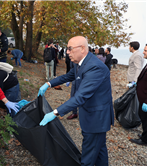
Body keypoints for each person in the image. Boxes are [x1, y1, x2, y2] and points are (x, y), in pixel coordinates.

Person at [38, 36, 114, 166]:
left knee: (88, 157)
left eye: (70, 49)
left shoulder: (95, 67)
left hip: (96, 119)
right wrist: (49, 84)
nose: (67, 52)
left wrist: (55, 112)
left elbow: (80, 97)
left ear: (82, 49)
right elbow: (68, 76)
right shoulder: (82, 63)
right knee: (99, 149)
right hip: (90, 115)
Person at [130, 44, 147, 146]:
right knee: (143, 118)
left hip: (145, 100)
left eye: (145, 50)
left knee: (146, 120)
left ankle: (145, 141)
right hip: (142, 98)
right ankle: (145, 135)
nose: (143, 52)